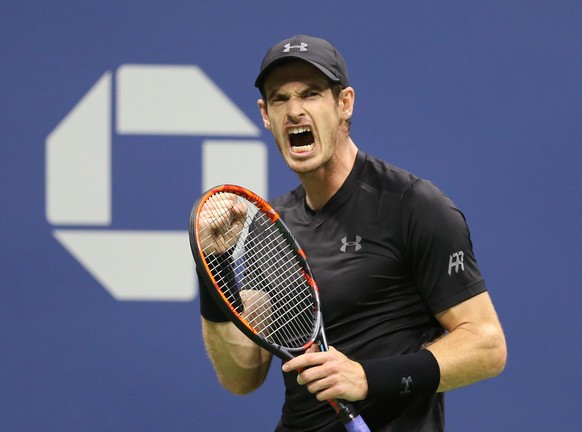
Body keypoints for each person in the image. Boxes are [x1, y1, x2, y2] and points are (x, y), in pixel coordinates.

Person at [197, 34, 507, 431]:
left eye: (310, 94)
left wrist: (366, 379)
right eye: (280, 98)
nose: (294, 111)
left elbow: (486, 345)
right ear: (265, 114)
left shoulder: (412, 206)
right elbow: (241, 376)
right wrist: (215, 268)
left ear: (344, 104)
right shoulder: (271, 226)